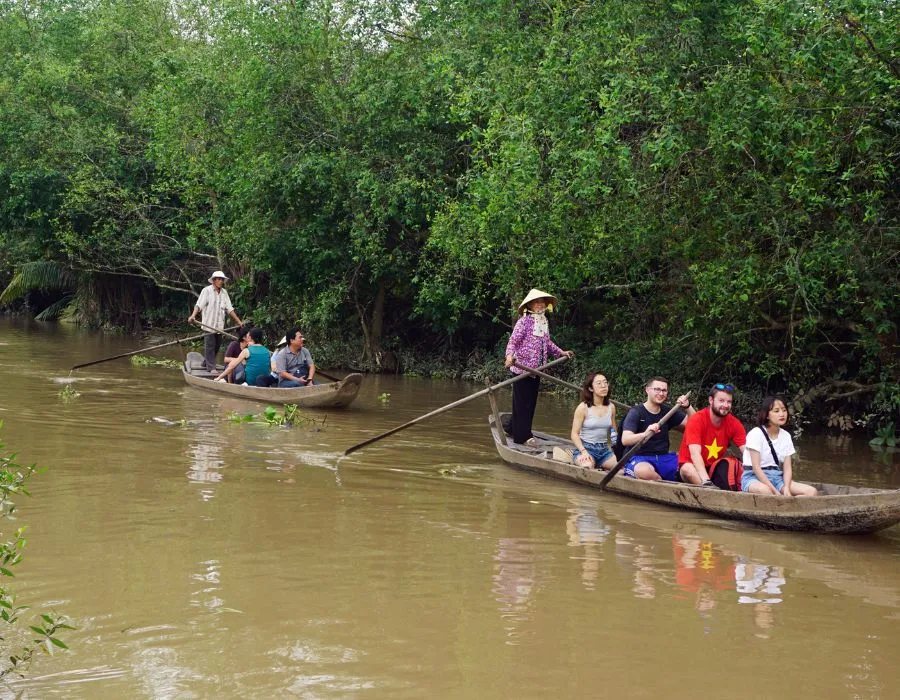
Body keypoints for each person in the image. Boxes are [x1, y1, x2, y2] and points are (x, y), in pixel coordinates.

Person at [504, 288, 574, 446]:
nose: (540, 305)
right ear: (530, 305)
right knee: (523, 403)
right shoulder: (524, 322)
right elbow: (513, 342)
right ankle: (522, 436)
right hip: (522, 368)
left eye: (542, 302)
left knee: (530, 402)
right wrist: (509, 356)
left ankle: (511, 427)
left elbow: (547, 343)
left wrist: (560, 352)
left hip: (536, 370)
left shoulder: (543, 321)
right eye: (537, 302)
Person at [621, 377, 695, 481]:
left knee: (691, 467)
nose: (661, 393)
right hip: (640, 458)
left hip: (664, 457)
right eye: (657, 389)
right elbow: (625, 440)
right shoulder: (636, 412)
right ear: (647, 389)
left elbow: (694, 424)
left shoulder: (668, 412)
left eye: (664, 390)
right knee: (644, 472)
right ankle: (666, 485)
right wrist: (645, 434)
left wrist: (688, 407)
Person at [742, 396, 817, 497]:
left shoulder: (786, 436)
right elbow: (756, 468)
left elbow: (787, 468)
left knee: (811, 492)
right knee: (766, 492)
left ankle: (789, 508)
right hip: (753, 477)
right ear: (767, 415)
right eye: (776, 411)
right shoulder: (756, 433)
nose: (782, 414)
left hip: (777, 477)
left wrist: (786, 487)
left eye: (784, 410)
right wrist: (774, 491)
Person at [678, 383, 747, 487]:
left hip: (713, 469)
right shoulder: (697, 419)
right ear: (711, 400)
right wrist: (706, 481)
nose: (725, 405)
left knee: (732, 463)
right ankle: (711, 490)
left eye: (729, 402)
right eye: (721, 401)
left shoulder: (734, 423)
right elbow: (695, 454)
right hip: (693, 468)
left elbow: (747, 452)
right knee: (687, 469)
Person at [188, 271, 243, 372]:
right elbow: (199, 305)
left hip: (219, 327)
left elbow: (229, 309)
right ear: (213, 280)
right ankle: (211, 367)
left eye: (222, 279)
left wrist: (239, 322)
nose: (221, 281)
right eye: (219, 279)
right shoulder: (206, 291)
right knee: (210, 347)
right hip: (208, 326)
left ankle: (206, 363)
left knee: (216, 348)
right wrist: (193, 315)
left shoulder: (224, 293)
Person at [570, 372, 617, 470]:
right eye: (599, 383)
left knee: (623, 468)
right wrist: (583, 451)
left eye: (605, 382)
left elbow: (614, 432)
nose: (603, 386)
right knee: (587, 467)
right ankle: (583, 460)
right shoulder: (583, 408)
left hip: (604, 450)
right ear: (591, 388)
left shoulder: (611, 407)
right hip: (586, 448)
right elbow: (574, 434)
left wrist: (618, 450)